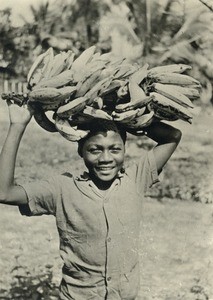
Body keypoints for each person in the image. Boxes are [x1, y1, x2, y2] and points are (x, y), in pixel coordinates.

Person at [0, 100, 182, 300]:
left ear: (124, 150)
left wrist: (132, 118)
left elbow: (172, 136)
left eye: (114, 149)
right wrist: (17, 126)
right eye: (95, 150)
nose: (105, 158)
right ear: (81, 151)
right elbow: (4, 193)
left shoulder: (136, 178)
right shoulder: (62, 188)